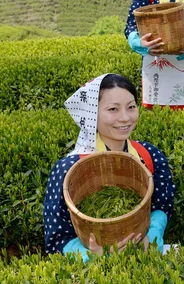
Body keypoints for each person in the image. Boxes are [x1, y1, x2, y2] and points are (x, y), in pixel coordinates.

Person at [43, 74, 176, 260]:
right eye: (113, 109)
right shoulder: (68, 168)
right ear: (91, 114)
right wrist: (91, 256)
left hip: (147, 254)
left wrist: (153, 234)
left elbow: (163, 203)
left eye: (131, 107)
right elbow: (57, 235)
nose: (125, 118)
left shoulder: (149, 155)